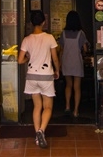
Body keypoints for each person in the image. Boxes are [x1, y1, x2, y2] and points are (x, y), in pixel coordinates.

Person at [19, 10, 59, 149]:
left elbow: (19, 60)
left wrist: (28, 58)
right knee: (48, 107)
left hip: (31, 76)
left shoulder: (27, 39)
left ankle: (37, 135)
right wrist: (57, 70)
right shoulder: (49, 38)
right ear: (43, 22)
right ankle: (42, 130)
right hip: (46, 76)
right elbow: (54, 58)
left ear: (31, 23)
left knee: (37, 106)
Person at [59, 11, 89, 118]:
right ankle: (76, 110)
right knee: (77, 87)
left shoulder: (63, 33)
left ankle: (67, 106)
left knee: (68, 85)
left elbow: (61, 49)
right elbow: (85, 49)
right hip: (77, 61)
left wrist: (60, 63)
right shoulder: (81, 33)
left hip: (66, 61)